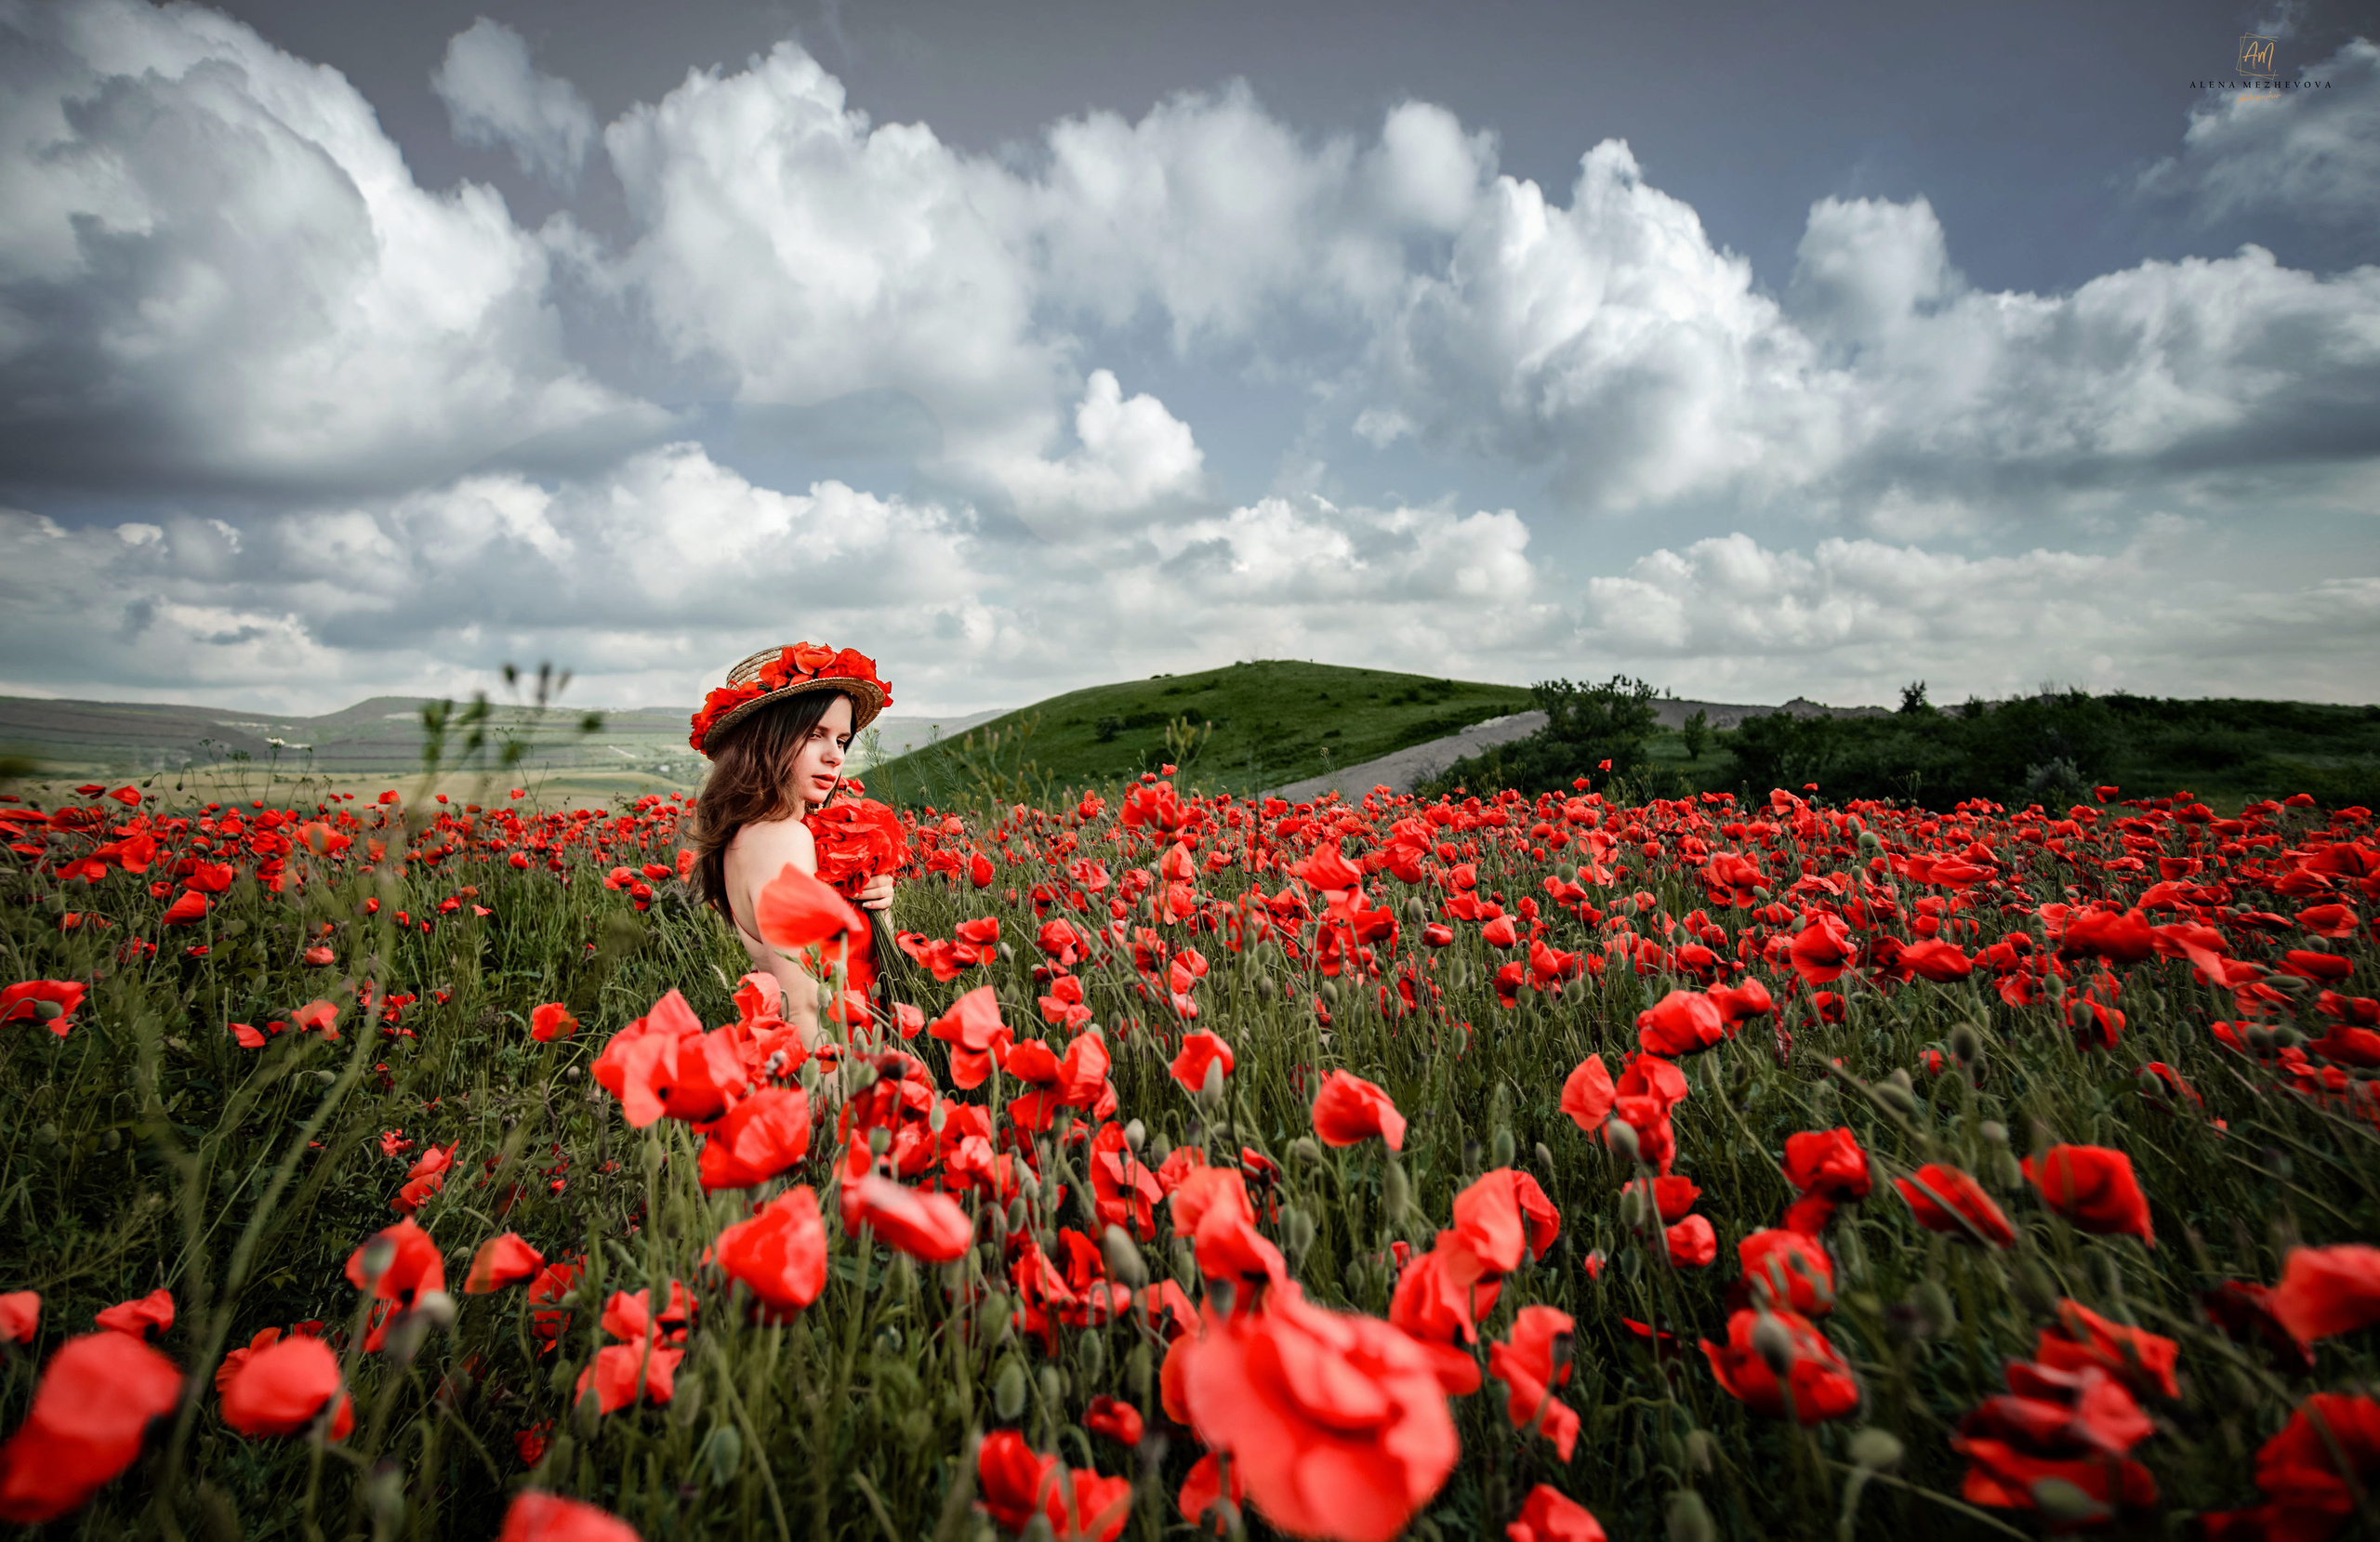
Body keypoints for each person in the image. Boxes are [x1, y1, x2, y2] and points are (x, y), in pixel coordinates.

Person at [685, 643, 896, 1048]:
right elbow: (806, 1009)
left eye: (842, 740)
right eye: (815, 734)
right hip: (838, 1062)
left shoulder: (759, 834)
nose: (835, 756)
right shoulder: (779, 838)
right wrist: (838, 1092)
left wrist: (877, 908)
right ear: (766, 739)